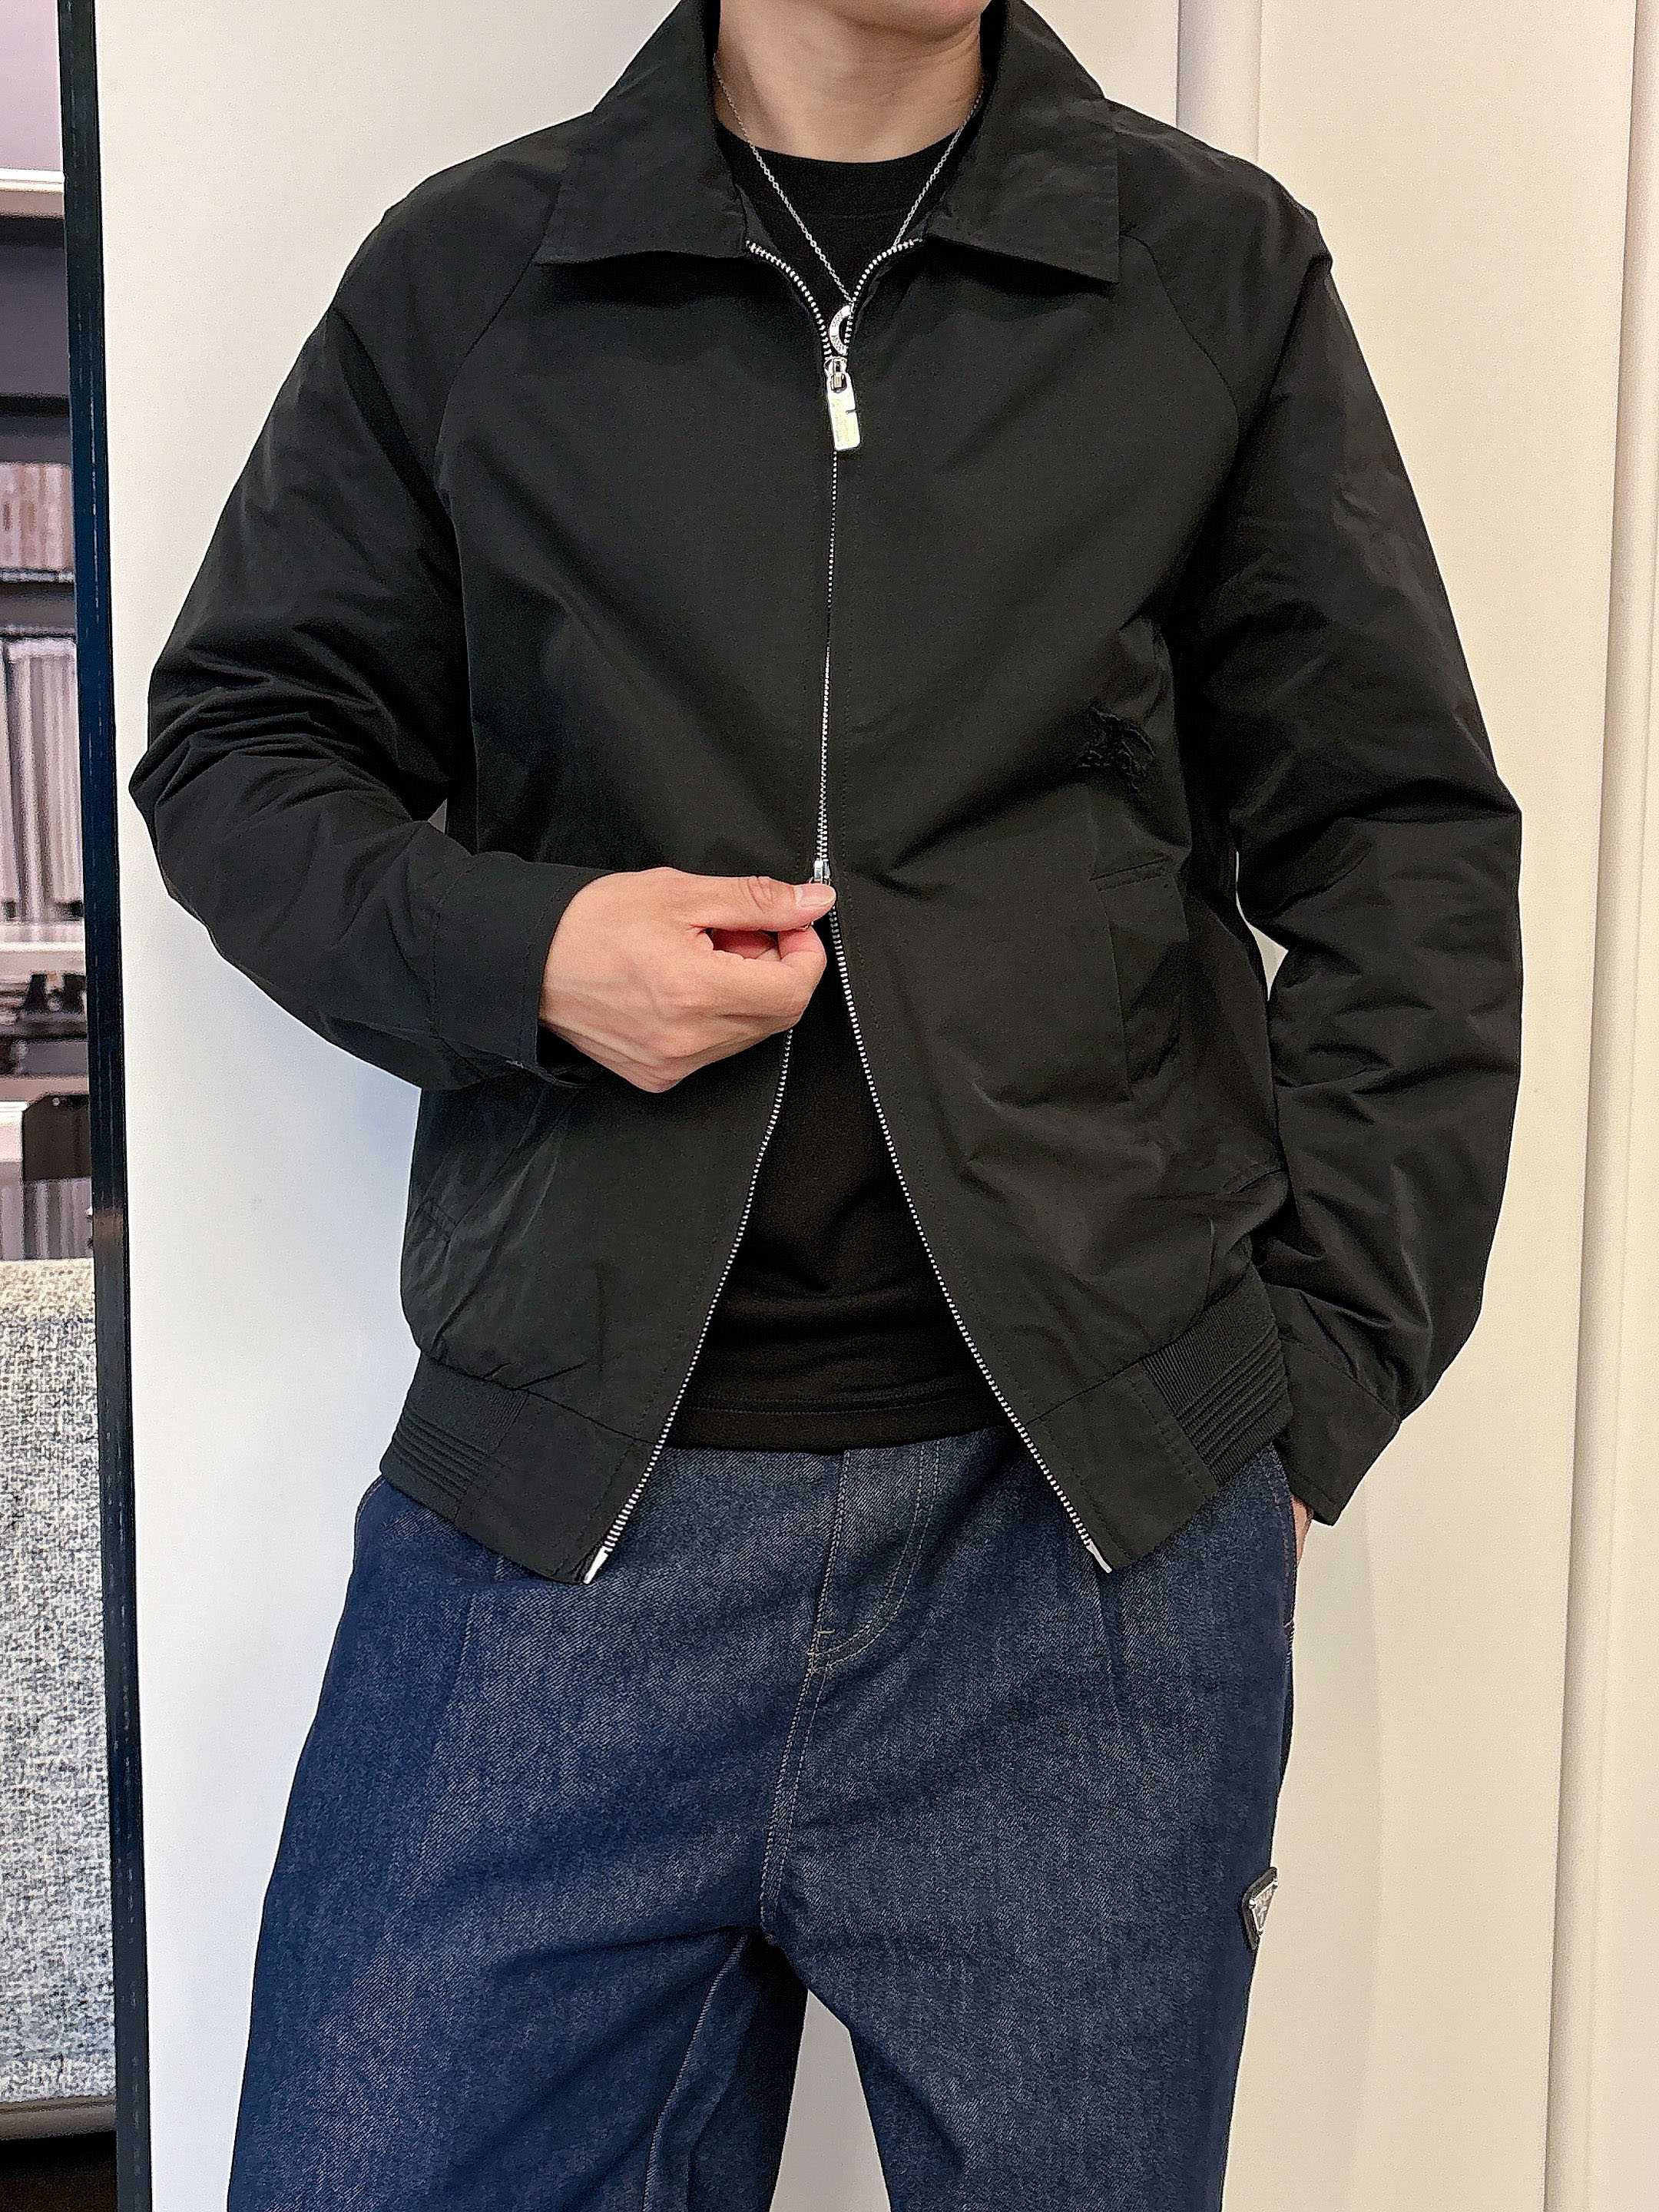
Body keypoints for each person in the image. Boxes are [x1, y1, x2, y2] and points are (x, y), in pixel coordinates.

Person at [128, 0, 1524, 2203]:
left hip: (1072, 1556)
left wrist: (1314, 1386)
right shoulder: (479, 275)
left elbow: (1397, 844)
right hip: (562, 1516)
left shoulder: (1209, 276)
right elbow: (238, 747)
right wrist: (532, 956)